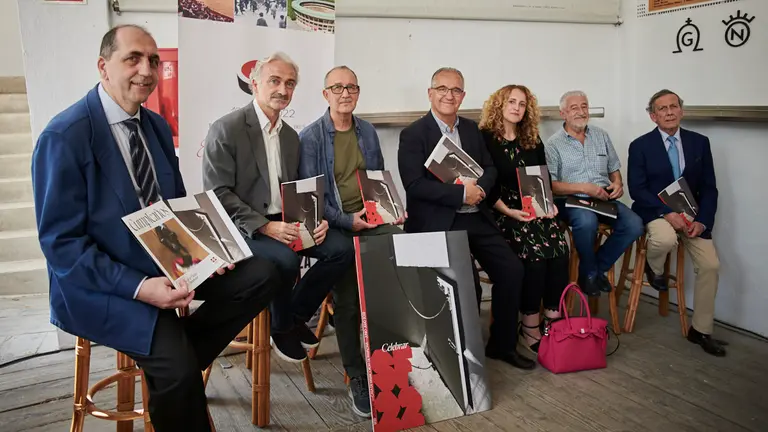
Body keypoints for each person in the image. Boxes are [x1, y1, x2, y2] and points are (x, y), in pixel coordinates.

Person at [31, 25, 281, 432]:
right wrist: (140, 286)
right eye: (133, 58)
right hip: (105, 285)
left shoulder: (156, 127)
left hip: (168, 264)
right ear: (103, 66)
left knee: (263, 272)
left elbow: (175, 208)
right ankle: (176, 359)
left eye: (153, 60)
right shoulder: (64, 136)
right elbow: (62, 248)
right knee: (179, 373)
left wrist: (205, 253)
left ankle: (177, 350)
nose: (146, 70)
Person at [202, 52, 355, 363]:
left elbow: (296, 190)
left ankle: (295, 313)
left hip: (284, 220)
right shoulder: (227, 128)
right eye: (275, 81)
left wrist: (315, 220)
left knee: (342, 248)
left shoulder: (289, 136)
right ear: (254, 83)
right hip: (244, 227)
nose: (283, 90)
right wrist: (265, 226)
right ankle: (282, 327)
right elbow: (216, 193)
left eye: (290, 83)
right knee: (285, 258)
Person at [397, 67, 534, 369]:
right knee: (468, 285)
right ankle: (462, 357)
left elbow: (490, 169)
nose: (449, 95)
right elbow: (414, 185)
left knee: (512, 271)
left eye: (456, 90)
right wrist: (461, 195)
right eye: (442, 88)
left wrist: (479, 192)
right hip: (440, 221)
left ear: (463, 95)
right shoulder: (414, 134)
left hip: (476, 216)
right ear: (430, 93)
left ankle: (501, 345)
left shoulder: (472, 130)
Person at [299, 65, 406, 418]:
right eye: (338, 87)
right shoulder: (311, 138)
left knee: (402, 251)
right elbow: (313, 199)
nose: (345, 93)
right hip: (336, 226)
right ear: (325, 93)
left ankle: (395, 359)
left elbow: (376, 179)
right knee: (347, 300)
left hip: (369, 218)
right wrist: (348, 220)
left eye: (352, 88)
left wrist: (391, 208)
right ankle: (357, 375)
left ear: (358, 93)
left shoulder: (368, 131)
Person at [627, 89, 725, 357]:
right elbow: (637, 189)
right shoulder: (640, 146)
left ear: (681, 110)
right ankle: (653, 267)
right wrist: (665, 213)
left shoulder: (699, 143)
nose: (669, 112)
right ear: (652, 116)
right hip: (656, 212)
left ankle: (701, 330)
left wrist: (702, 222)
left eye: (674, 106)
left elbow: (709, 188)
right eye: (662, 108)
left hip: (691, 216)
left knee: (711, 265)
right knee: (665, 239)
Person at [479, 85, 570, 354]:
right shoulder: (485, 138)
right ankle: (529, 326)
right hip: (501, 209)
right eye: (512, 102)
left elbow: (543, 178)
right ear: (499, 104)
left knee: (560, 251)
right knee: (536, 255)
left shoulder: (532, 138)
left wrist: (548, 204)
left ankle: (552, 324)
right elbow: (484, 183)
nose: (517, 107)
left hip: (534, 206)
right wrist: (508, 210)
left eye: (522, 103)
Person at [545, 90, 644, 296]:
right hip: (571, 201)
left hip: (602, 199)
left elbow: (614, 169)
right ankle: (591, 273)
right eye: (574, 108)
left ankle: (593, 269)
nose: (581, 112)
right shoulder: (553, 144)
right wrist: (584, 187)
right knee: (586, 221)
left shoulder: (601, 136)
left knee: (634, 224)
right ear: (563, 113)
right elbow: (551, 185)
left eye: (584, 106)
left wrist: (618, 183)